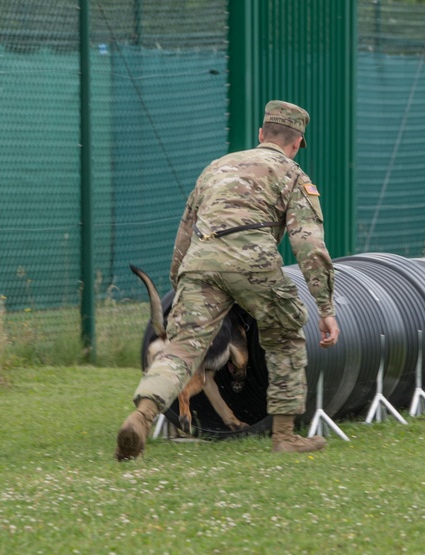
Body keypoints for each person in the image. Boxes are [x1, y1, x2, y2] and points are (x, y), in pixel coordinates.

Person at [116, 100, 340, 461]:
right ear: (297, 143)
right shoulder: (294, 174)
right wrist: (325, 307)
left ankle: (141, 418)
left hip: (201, 261)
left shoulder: (215, 168)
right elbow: (309, 243)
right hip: (254, 259)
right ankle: (284, 436)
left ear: (261, 135)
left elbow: (184, 232)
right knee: (284, 337)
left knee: (182, 350)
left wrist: (180, 287)